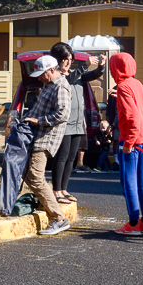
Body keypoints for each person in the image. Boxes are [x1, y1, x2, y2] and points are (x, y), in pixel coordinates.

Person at [21, 55, 72, 236]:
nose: (39, 78)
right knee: (28, 174)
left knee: (34, 176)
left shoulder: (61, 86)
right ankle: (47, 204)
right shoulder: (50, 85)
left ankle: (58, 218)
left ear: (52, 70)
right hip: (38, 136)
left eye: (42, 74)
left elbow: (63, 114)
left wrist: (38, 121)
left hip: (46, 138)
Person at [49, 43, 105, 202]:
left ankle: (64, 189)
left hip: (78, 123)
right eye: (65, 59)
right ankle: (56, 190)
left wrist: (101, 66)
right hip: (63, 123)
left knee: (71, 158)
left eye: (70, 59)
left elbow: (92, 75)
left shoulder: (76, 73)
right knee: (61, 157)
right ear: (57, 60)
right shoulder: (57, 75)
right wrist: (84, 65)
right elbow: (68, 81)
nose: (68, 62)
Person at [109, 52, 143, 235]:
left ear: (115, 68)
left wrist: (128, 142)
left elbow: (131, 116)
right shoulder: (137, 83)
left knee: (129, 182)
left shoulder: (122, 87)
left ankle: (133, 224)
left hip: (131, 140)